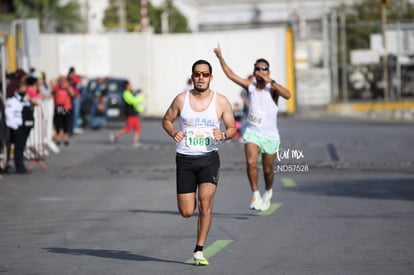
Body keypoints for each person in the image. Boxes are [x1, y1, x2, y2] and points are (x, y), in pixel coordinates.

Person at [162, 59, 236, 266]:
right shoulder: (181, 99)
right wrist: (174, 132)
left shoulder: (221, 101)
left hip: (209, 158)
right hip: (185, 159)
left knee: (205, 203)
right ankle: (197, 238)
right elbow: (166, 120)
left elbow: (232, 127)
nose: (201, 78)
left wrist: (223, 135)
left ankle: (199, 249)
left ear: (211, 77)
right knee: (187, 211)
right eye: (197, 74)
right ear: (192, 76)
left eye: (205, 74)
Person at [214, 44, 291, 211]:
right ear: (255, 71)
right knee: (250, 163)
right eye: (258, 68)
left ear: (268, 71)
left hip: (270, 136)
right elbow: (231, 75)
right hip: (253, 133)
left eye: (264, 68)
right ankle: (255, 194)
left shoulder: (273, 89)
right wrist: (220, 57)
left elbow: (288, 95)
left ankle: (268, 191)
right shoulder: (250, 86)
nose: (261, 70)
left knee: (268, 170)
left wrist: (271, 81)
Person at [5, 81, 34, 174]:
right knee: (18, 147)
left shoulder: (25, 100)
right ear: (17, 89)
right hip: (17, 127)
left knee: (22, 147)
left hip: (25, 126)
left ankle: (20, 164)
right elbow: (9, 115)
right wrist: (15, 127)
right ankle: (19, 166)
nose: (24, 90)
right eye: (22, 88)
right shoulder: (12, 101)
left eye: (25, 88)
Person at [110, 81, 145, 147]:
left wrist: (141, 109)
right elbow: (133, 101)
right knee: (128, 128)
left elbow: (135, 104)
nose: (131, 86)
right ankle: (115, 135)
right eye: (129, 85)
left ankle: (135, 142)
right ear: (126, 86)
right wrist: (142, 97)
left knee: (137, 127)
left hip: (134, 113)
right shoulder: (125, 93)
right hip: (129, 114)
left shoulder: (131, 93)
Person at [51, 77, 75, 146]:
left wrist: (68, 87)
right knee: (58, 123)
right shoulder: (57, 87)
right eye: (61, 81)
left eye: (63, 81)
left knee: (66, 123)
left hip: (66, 107)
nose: (62, 83)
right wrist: (57, 78)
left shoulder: (68, 88)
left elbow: (73, 94)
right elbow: (51, 83)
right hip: (58, 107)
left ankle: (65, 138)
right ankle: (58, 138)